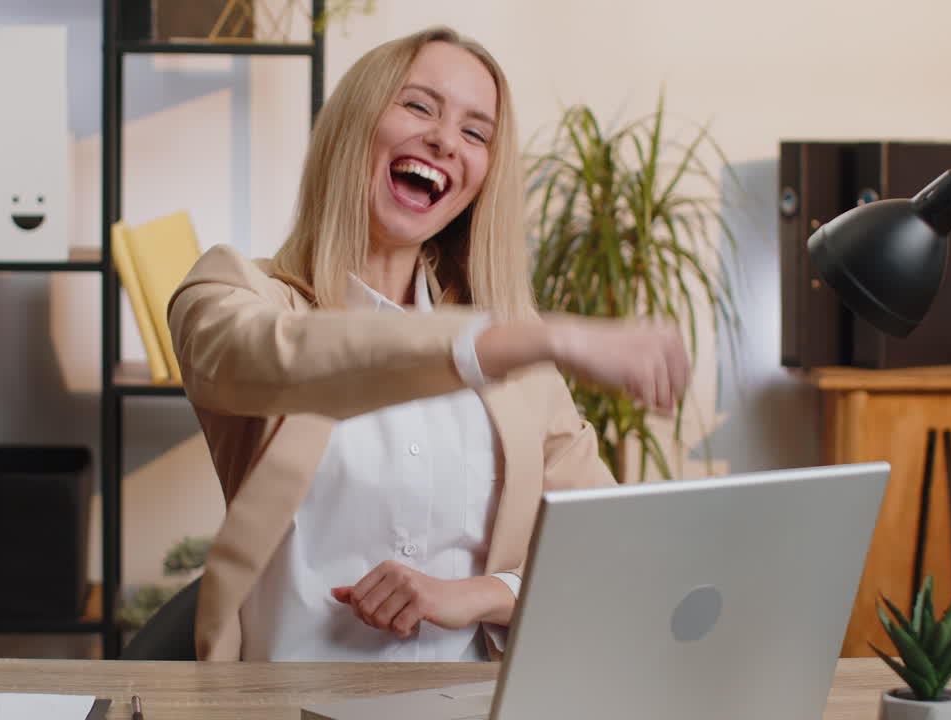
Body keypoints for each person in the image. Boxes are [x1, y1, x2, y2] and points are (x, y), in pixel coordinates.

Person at [167, 25, 689, 662]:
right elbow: (275, 355)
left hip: (470, 702)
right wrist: (539, 336)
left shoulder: (518, 363)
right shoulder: (233, 293)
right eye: (419, 106)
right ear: (354, 124)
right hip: (288, 699)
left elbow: (613, 548)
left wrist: (482, 594)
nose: (445, 140)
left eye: (476, 133)